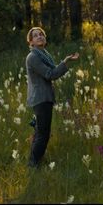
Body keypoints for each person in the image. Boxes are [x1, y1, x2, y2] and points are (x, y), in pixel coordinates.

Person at [25, 27, 79, 168]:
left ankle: (34, 160)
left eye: (41, 34)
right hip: (40, 99)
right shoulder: (33, 57)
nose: (39, 36)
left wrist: (65, 61)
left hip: (44, 98)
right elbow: (50, 74)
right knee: (43, 133)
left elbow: (53, 71)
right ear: (31, 41)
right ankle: (33, 164)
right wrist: (65, 63)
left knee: (40, 132)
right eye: (35, 36)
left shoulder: (43, 54)